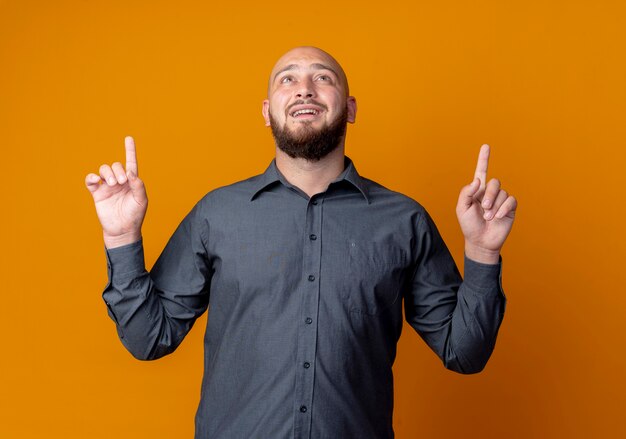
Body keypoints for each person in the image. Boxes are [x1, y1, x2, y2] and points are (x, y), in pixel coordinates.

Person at [85, 46, 516, 439]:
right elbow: (148, 339)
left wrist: (482, 252)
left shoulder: (404, 220)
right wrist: (122, 237)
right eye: (286, 79)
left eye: (323, 77)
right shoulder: (216, 214)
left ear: (349, 109)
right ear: (266, 111)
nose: (304, 89)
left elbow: (465, 353)